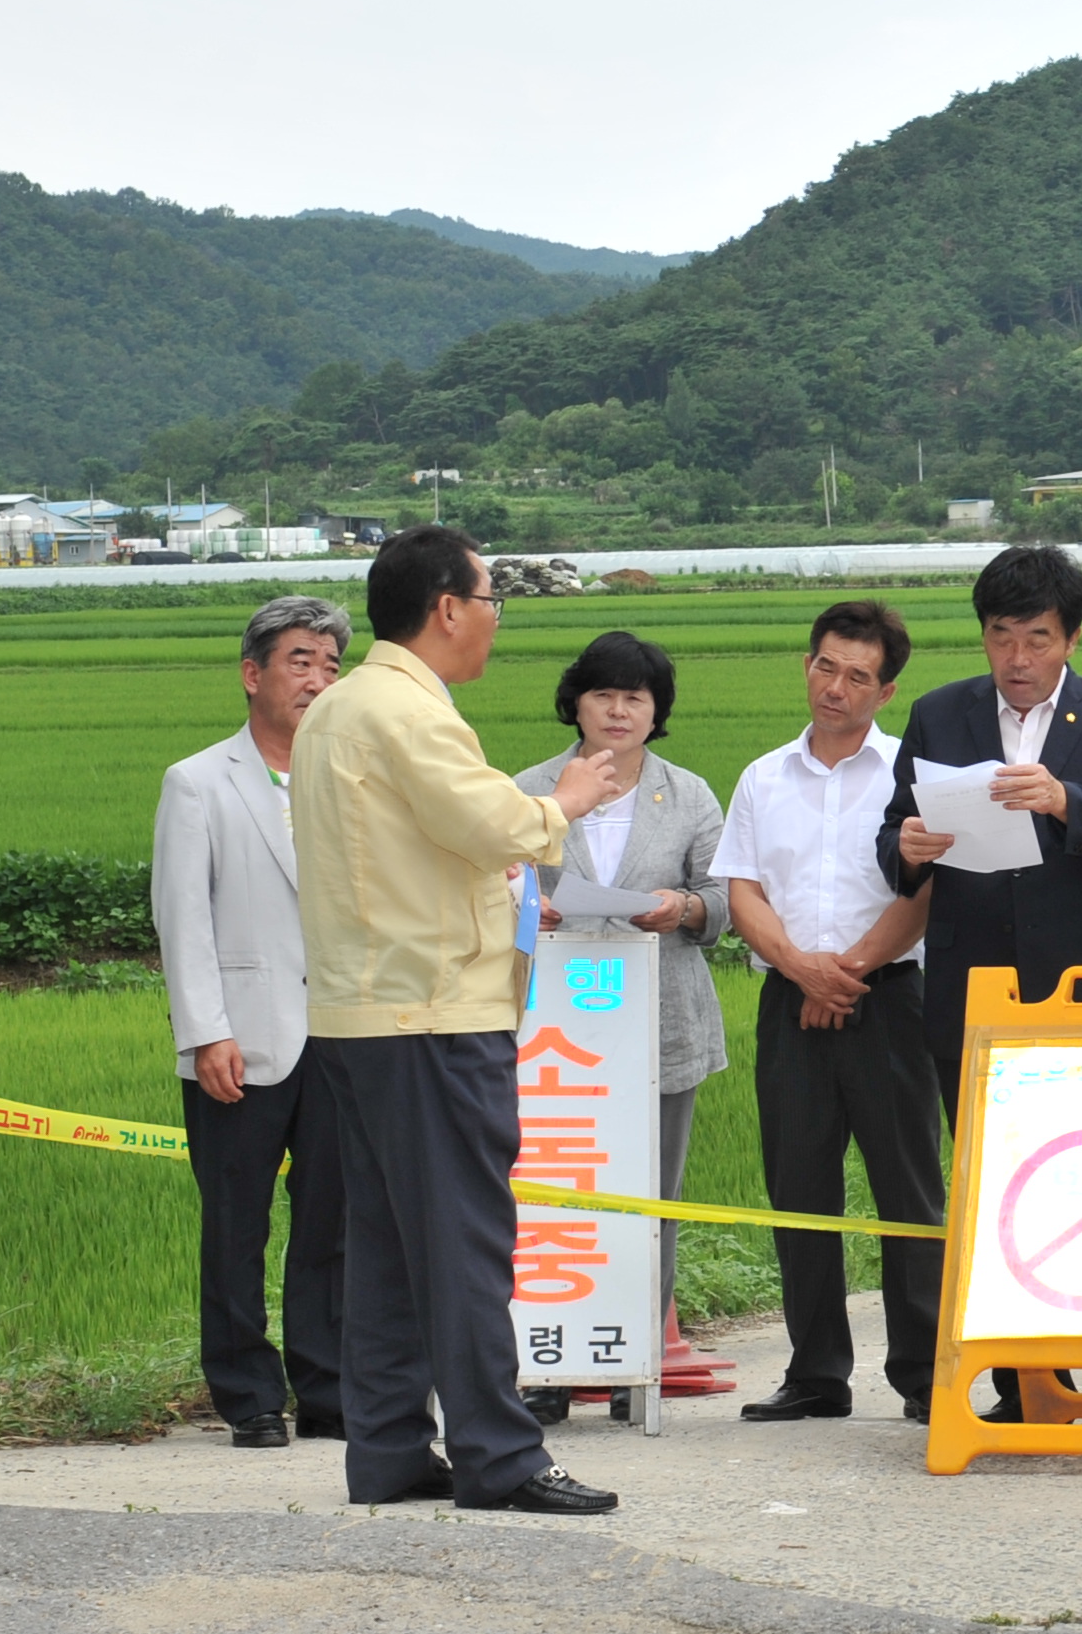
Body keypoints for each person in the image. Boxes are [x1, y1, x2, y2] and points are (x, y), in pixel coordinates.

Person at [291, 525, 632, 1514]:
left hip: (360, 1014)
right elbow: (492, 824)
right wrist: (563, 797)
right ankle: (501, 1455)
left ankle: (392, 1448)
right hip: (432, 1011)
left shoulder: (340, 706)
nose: (492, 621)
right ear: (446, 608)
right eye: (489, 601)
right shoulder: (407, 711)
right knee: (467, 1241)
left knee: (390, 1251)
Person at [880, 546, 1082, 1419]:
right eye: (1000, 636)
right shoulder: (939, 716)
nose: (1016, 658)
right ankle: (1027, 1379)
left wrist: (1064, 800)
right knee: (995, 1179)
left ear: (1070, 636)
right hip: (973, 983)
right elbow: (899, 825)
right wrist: (907, 847)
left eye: (1036, 638)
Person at [714, 601, 942, 1424]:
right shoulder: (762, 776)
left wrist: (845, 974)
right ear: (806, 665)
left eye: (857, 676)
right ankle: (815, 1373)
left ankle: (922, 1374)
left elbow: (923, 893)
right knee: (799, 1186)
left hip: (889, 1001)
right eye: (824, 666)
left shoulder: (908, 777)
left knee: (907, 1188)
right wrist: (801, 971)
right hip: (788, 998)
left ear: (884, 692)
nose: (834, 687)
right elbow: (742, 888)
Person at [152, 593, 352, 1449]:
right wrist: (205, 1033)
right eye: (300, 661)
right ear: (253, 674)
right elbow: (182, 918)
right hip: (243, 1037)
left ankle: (330, 1387)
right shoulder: (199, 781)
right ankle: (247, 1396)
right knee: (235, 1225)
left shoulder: (349, 781)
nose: (317, 679)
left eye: (331, 665)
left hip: (343, 1033)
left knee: (333, 1223)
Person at [517, 630, 730, 1417]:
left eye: (635, 697)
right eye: (603, 693)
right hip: (555, 1037)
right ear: (576, 701)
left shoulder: (692, 794)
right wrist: (523, 912)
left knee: (653, 1202)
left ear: (656, 712)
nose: (618, 709)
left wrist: (684, 907)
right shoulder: (529, 788)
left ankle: (633, 1361)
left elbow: (724, 900)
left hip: (660, 1023)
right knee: (550, 1193)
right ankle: (548, 1366)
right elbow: (495, 888)